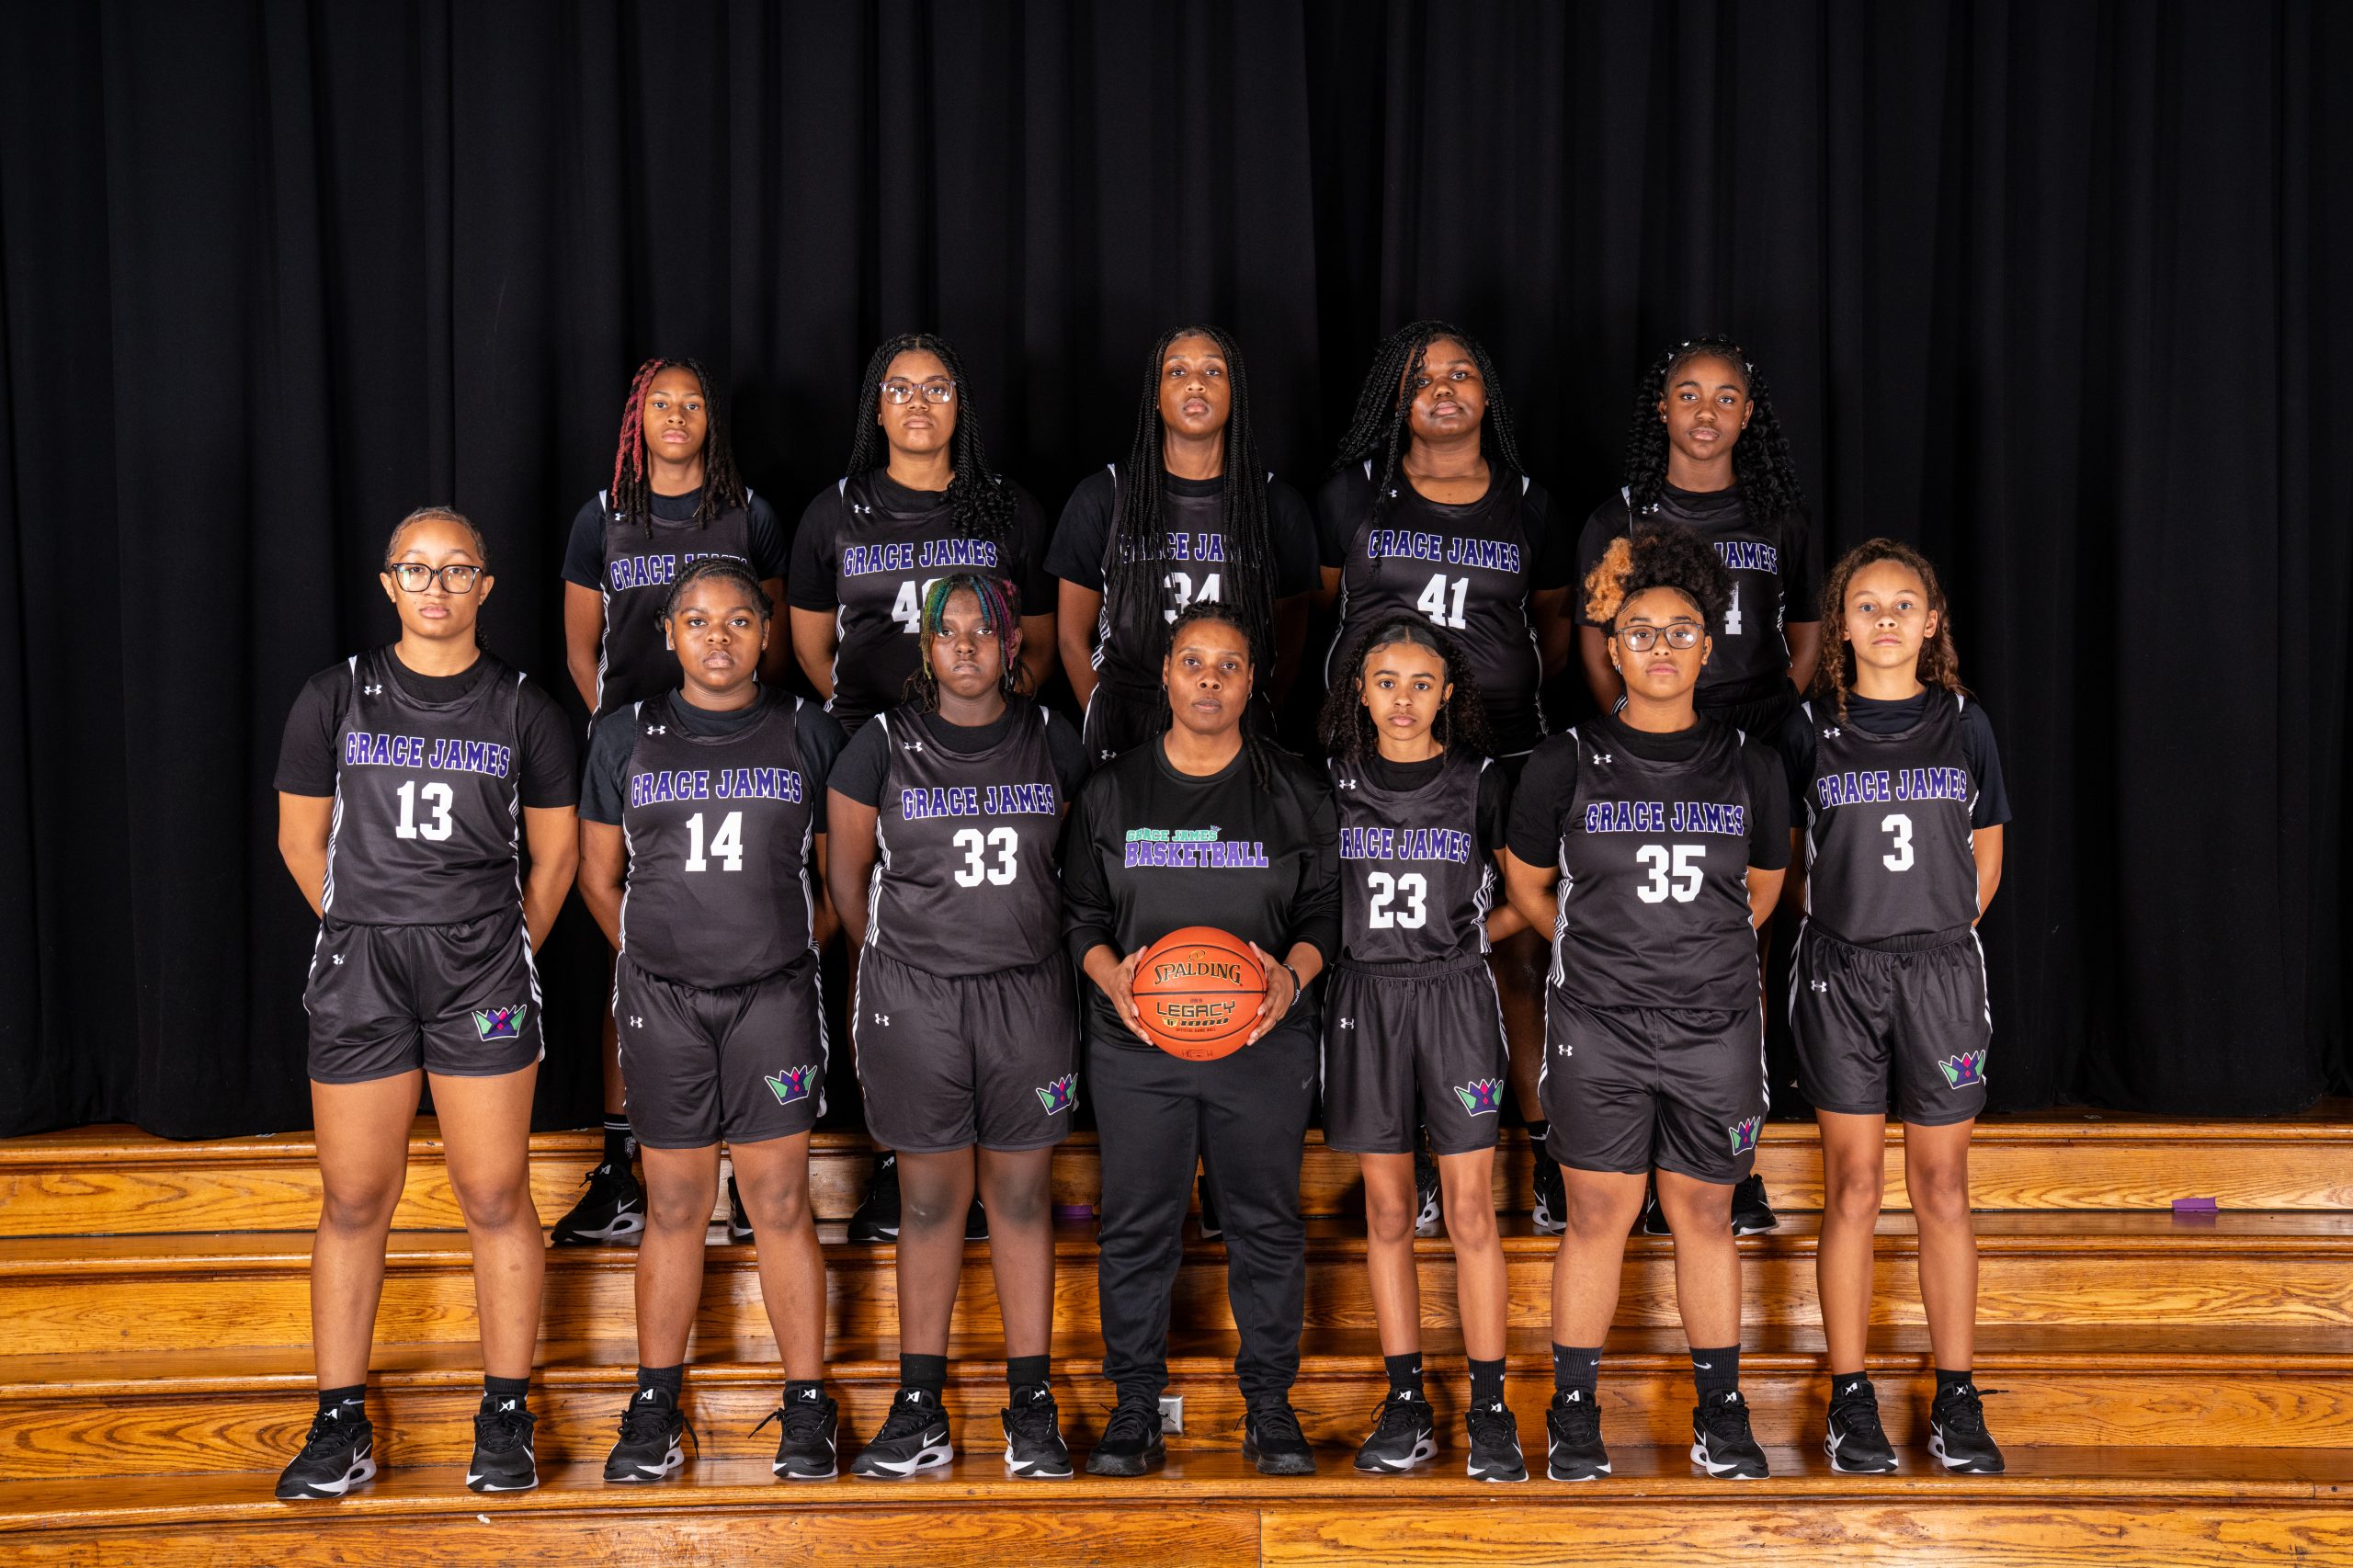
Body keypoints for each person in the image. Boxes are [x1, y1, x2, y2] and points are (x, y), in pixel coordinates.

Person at [272, 508, 579, 1498]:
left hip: (479, 969)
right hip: (363, 966)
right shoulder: (334, 696)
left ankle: (506, 1415)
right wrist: (363, 923)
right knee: (356, 1197)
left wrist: (500, 948)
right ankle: (339, 1422)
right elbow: (299, 839)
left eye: (455, 569)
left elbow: (557, 855)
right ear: (388, 583)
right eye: (416, 568)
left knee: (493, 1193)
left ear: (485, 585)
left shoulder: (524, 707)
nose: (435, 585)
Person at [1502, 528, 1790, 1483]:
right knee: (1599, 1210)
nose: (1660, 647)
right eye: (1640, 631)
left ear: (1709, 648)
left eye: (1680, 631)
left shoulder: (1751, 763)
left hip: (1713, 1024)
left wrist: (1692, 957)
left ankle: (1721, 1412)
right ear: (1613, 650)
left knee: (1703, 1211)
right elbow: (1528, 887)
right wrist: (1601, 951)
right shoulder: (1564, 759)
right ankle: (1573, 1412)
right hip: (1601, 1024)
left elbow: (1761, 892)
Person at [574, 559, 847, 1483]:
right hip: (664, 1001)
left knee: (778, 1201)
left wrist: (778, 952)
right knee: (675, 1204)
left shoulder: (806, 729)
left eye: (738, 620)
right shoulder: (624, 734)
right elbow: (598, 876)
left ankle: (807, 1405)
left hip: (772, 998)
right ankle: (655, 1406)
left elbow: (837, 879)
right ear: (668, 633)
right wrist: (660, 953)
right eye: (697, 620)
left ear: (766, 631)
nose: (718, 636)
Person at [789, 331, 1057, 1244]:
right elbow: (812, 645)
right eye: (899, 388)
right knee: (875, 937)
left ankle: (988, 1138)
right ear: (876, 406)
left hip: (984, 753)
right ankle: (897, 1152)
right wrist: (878, 731)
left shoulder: (1006, 508)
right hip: (874, 754)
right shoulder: (835, 511)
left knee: (987, 924)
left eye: (937, 387)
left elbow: (1039, 640)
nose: (917, 403)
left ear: (959, 405)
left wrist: (975, 718)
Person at [1062, 599, 1339, 1478]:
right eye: (1193, 662)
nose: (1210, 680)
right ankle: (1134, 1409)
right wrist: (1112, 978)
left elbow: (1325, 913)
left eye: (1228, 665)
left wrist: (1290, 978)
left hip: (1262, 1045)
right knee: (1137, 1227)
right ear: (1166, 675)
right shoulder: (1112, 791)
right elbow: (1081, 915)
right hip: (1138, 1048)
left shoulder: (1296, 790)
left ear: (1252, 682)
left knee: (1265, 1225)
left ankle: (1271, 1407)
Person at [825, 574, 1091, 1480]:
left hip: (1027, 995)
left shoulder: (1053, 738)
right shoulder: (878, 744)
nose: (967, 644)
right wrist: (911, 964)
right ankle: (920, 1406)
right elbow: (848, 885)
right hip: (919, 999)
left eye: (984, 630)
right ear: (927, 645)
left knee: (1019, 1197)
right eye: (950, 630)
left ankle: (1032, 1405)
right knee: (930, 1202)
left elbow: (1077, 875)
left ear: (1012, 644)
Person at [1319, 321, 1575, 1236]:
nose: (1443, 387)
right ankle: (1411, 1155)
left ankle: (1546, 1153)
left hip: (1501, 749)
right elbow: (1328, 610)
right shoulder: (1353, 493)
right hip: (1384, 754)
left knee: (1513, 950)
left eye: (1462, 371)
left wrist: (1478, 705)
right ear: (1397, 397)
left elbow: (1550, 630)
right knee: (1388, 944)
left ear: (1486, 392)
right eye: (1422, 376)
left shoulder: (1529, 504)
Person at [1574, 335, 1823, 1238]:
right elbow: (1596, 638)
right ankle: (1628, 1152)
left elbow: (1805, 633)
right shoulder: (1620, 515)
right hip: (1650, 743)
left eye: (1725, 397)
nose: (1706, 411)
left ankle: (1729, 1154)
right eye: (1688, 393)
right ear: (1662, 407)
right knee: (1640, 934)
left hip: (1748, 740)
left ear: (1748, 415)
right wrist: (1637, 725)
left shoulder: (1777, 516)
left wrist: (1767, 718)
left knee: (1741, 942)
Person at [1780, 540, 2010, 1474]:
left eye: (1902, 603)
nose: (1884, 618)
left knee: (1942, 1186)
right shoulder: (1808, 727)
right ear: (1839, 624)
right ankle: (1850, 1396)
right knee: (1853, 1186)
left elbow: (1985, 853)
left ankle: (1956, 1395)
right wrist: (1851, 922)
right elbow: (1787, 859)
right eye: (1865, 604)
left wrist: (1936, 927)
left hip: (1939, 971)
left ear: (1931, 621)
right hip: (1841, 972)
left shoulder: (1964, 723)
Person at [554, 357, 790, 1249]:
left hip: (735, 748)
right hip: (643, 758)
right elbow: (581, 647)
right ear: (637, 417)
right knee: (635, 965)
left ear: (710, 419)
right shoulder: (602, 517)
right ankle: (621, 1163)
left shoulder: (749, 513)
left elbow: (769, 633)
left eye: (693, 401)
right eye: (661, 402)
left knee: (752, 941)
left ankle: (749, 1168)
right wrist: (622, 734)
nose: (678, 414)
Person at [1316, 617, 1525, 1482]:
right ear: (1360, 694)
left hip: (1454, 995)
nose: (1403, 699)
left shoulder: (1480, 780)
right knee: (1389, 1212)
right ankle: (1407, 1402)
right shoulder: (1332, 781)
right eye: (1386, 682)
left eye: (1421, 683)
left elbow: (1527, 896)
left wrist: (1470, 942)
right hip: (1365, 995)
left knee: (1471, 1211)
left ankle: (1491, 1409)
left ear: (1448, 694)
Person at [1050, 324, 1320, 764]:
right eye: (1177, 371)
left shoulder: (1276, 503)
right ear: (1155, 398)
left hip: (1234, 719)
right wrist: (1100, 715)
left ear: (1235, 395)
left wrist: (1259, 708)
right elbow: (1070, 637)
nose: (1196, 383)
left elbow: (1288, 644)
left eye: (1213, 372)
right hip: (1127, 719)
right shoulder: (1104, 495)